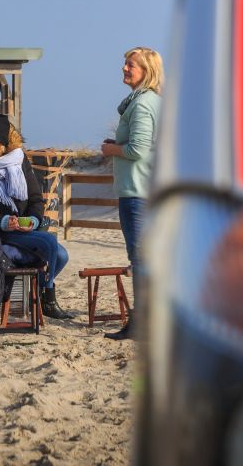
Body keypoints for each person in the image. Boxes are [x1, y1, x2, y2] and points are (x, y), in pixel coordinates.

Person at [0, 114, 72, 320]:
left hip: (24, 230)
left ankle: (39, 293)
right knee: (50, 241)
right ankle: (47, 297)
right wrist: (3, 221)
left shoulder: (20, 162)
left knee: (62, 255)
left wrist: (32, 220)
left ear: (3, 143)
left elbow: (35, 199)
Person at [100, 46, 163, 341]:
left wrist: (112, 149)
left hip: (137, 191)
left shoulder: (142, 104)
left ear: (146, 71)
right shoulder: (147, 102)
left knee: (140, 258)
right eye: (124, 63)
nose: (124, 68)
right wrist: (117, 143)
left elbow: (138, 149)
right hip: (145, 188)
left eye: (130, 65)